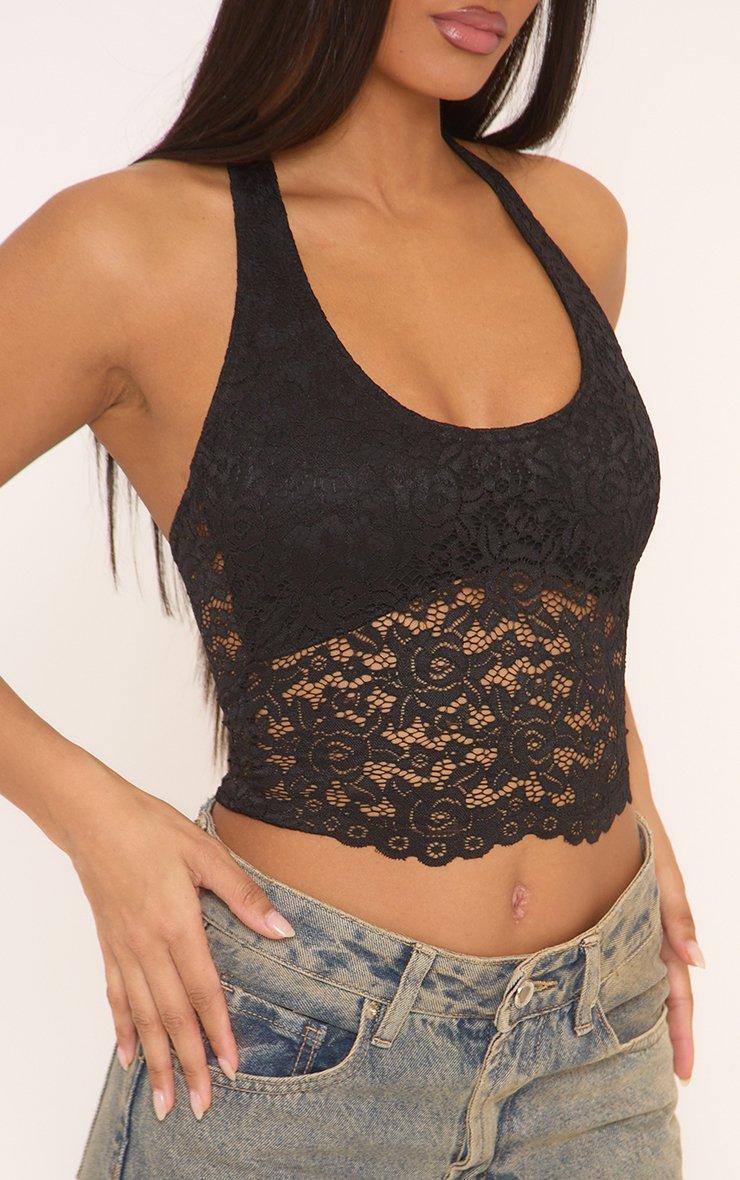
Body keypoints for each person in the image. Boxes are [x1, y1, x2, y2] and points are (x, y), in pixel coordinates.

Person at [0, 2, 701, 1176]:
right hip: (285, 1053)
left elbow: (536, 576)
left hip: (597, 1045)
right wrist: (93, 820)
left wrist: (633, 798)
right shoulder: (132, 247)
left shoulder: (570, 223)